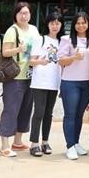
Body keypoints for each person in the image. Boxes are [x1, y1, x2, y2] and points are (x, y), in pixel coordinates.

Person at [0, 1, 39, 157]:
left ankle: (18, 141)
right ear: (15, 15)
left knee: (26, 109)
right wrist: (18, 49)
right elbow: (5, 52)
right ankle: (5, 145)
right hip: (15, 77)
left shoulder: (34, 30)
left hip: (31, 76)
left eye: (26, 13)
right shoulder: (12, 31)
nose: (24, 15)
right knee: (11, 109)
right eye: (21, 13)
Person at [28, 11, 64, 157]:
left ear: (61, 25)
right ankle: (34, 143)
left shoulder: (63, 41)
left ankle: (45, 141)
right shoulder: (40, 39)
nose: (55, 26)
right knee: (39, 112)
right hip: (40, 82)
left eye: (57, 23)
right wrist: (40, 62)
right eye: (52, 23)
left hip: (55, 82)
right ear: (47, 24)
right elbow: (30, 61)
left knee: (49, 113)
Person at [58, 11, 89, 160]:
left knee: (79, 115)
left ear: (88, 24)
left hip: (87, 82)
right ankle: (69, 146)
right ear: (73, 25)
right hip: (70, 82)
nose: (81, 25)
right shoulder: (66, 39)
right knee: (70, 115)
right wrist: (74, 57)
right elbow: (61, 61)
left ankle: (76, 142)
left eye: (83, 22)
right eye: (78, 23)